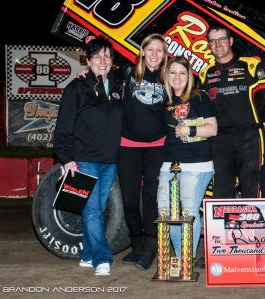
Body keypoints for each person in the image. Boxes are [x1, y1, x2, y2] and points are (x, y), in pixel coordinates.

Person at [54, 37, 123, 276]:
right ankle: (102, 258)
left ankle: (86, 254)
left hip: (110, 160)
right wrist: (66, 158)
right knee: (92, 209)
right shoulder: (76, 87)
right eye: (97, 56)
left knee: (98, 207)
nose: (102, 61)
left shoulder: (119, 85)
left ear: (113, 60)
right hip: (84, 160)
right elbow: (63, 127)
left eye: (107, 56)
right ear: (89, 60)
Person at [199, 24, 265, 199]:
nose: (218, 44)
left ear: (230, 41)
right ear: (209, 45)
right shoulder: (204, 74)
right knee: (221, 190)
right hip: (219, 139)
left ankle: (252, 225)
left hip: (251, 137)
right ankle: (222, 226)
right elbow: (201, 111)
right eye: (212, 41)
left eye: (222, 39)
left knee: (252, 188)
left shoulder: (251, 65)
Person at [157, 56, 217, 258]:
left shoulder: (200, 97)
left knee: (188, 211)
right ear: (166, 75)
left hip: (198, 164)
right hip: (170, 163)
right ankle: (179, 257)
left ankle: (186, 259)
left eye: (182, 72)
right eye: (172, 72)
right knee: (166, 211)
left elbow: (212, 129)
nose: (177, 77)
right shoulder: (165, 101)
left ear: (189, 75)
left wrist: (187, 130)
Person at [118, 33, 168, 270]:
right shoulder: (128, 72)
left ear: (164, 54)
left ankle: (150, 246)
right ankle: (137, 243)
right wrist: (84, 73)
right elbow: (101, 74)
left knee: (150, 198)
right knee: (129, 199)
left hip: (157, 147)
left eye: (159, 50)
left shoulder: (168, 77)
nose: (155, 54)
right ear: (143, 51)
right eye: (151, 49)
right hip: (128, 145)